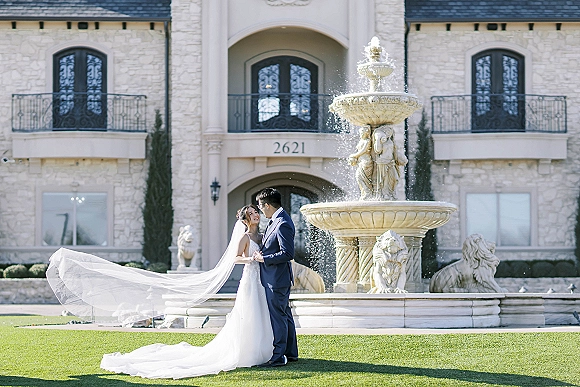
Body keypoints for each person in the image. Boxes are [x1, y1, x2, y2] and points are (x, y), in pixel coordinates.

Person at [48, 205, 275, 379]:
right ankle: (246, 351)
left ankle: (262, 349)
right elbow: (236, 258)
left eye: (257, 211)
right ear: (245, 219)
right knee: (247, 313)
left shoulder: (260, 234)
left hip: (260, 279)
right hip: (249, 278)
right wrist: (252, 258)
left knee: (259, 313)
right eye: (253, 212)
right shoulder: (245, 237)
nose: (256, 214)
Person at [253, 188, 299, 367]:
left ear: (268, 205)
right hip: (275, 278)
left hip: (277, 279)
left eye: (260, 206)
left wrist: (264, 258)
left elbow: (288, 253)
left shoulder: (283, 223)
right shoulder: (276, 220)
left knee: (278, 317)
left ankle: (278, 356)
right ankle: (291, 353)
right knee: (285, 315)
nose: (260, 210)